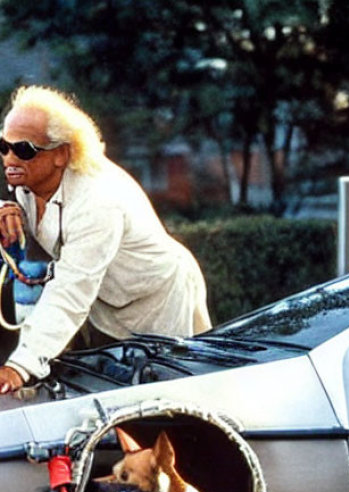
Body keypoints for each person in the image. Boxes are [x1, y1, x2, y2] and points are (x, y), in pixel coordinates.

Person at [0, 86, 210, 394]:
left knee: (168, 398)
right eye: (3, 146)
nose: (9, 158)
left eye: (25, 149)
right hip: (105, 305)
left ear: (61, 154)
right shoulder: (26, 182)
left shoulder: (98, 199)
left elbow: (70, 293)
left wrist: (20, 366)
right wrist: (6, 210)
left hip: (158, 300)